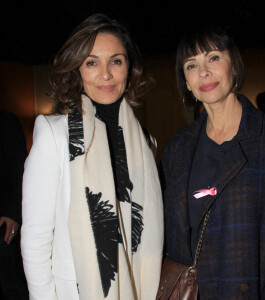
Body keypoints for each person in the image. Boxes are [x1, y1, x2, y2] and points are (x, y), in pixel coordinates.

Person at [21, 13, 163, 300]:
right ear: (77, 70)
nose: (106, 74)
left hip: (137, 287)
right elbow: (36, 241)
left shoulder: (146, 142)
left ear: (128, 68)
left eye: (116, 61)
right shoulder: (53, 134)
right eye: (92, 63)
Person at [160, 24, 265, 299]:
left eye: (213, 58)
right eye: (191, 65)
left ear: (234, 66)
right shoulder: (176, 148)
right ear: (186, 82)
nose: (203, 72)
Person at [0, 109, 28, 300]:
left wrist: (13, 213)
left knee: (10, 283)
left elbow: (20, 168)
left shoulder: (6, 121)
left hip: (4, 222)